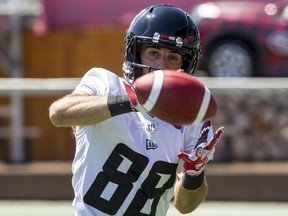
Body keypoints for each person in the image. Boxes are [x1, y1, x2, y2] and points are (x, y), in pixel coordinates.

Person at [49, 4, 224, 216]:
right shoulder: (105, 83)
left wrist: (194, 174)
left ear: (185, 65)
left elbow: (184, 206)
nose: (161, 66)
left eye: (173, 58)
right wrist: (131, 101)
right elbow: (59, 114)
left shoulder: (188, 116)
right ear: (136, 53)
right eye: (153, 53)